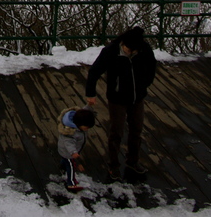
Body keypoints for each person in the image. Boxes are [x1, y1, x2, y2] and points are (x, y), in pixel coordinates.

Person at [85, 26, 157, 180]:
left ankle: (133, 161)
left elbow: (152, 67)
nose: (130, 52)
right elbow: (95, 71)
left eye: (133, 50)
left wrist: (145, 83)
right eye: (129, 49)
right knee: (116, 132)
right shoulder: (111, 51)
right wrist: (90, 93)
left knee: (136, 130)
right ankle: (113, 165)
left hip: (137, 97)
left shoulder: (143, 49)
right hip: (117, 98)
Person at [56, 106, 96, 191]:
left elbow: (85, 110)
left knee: (65, 161)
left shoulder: (79, 120)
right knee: (71, 166)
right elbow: (69, 143)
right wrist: (73, 152)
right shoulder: (71, 132)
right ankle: (71, 183)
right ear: (79, 124)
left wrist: (89, 105)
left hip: (65, 150)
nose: (87, 129)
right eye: (86, 127)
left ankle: (62, 166)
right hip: (68, 153)